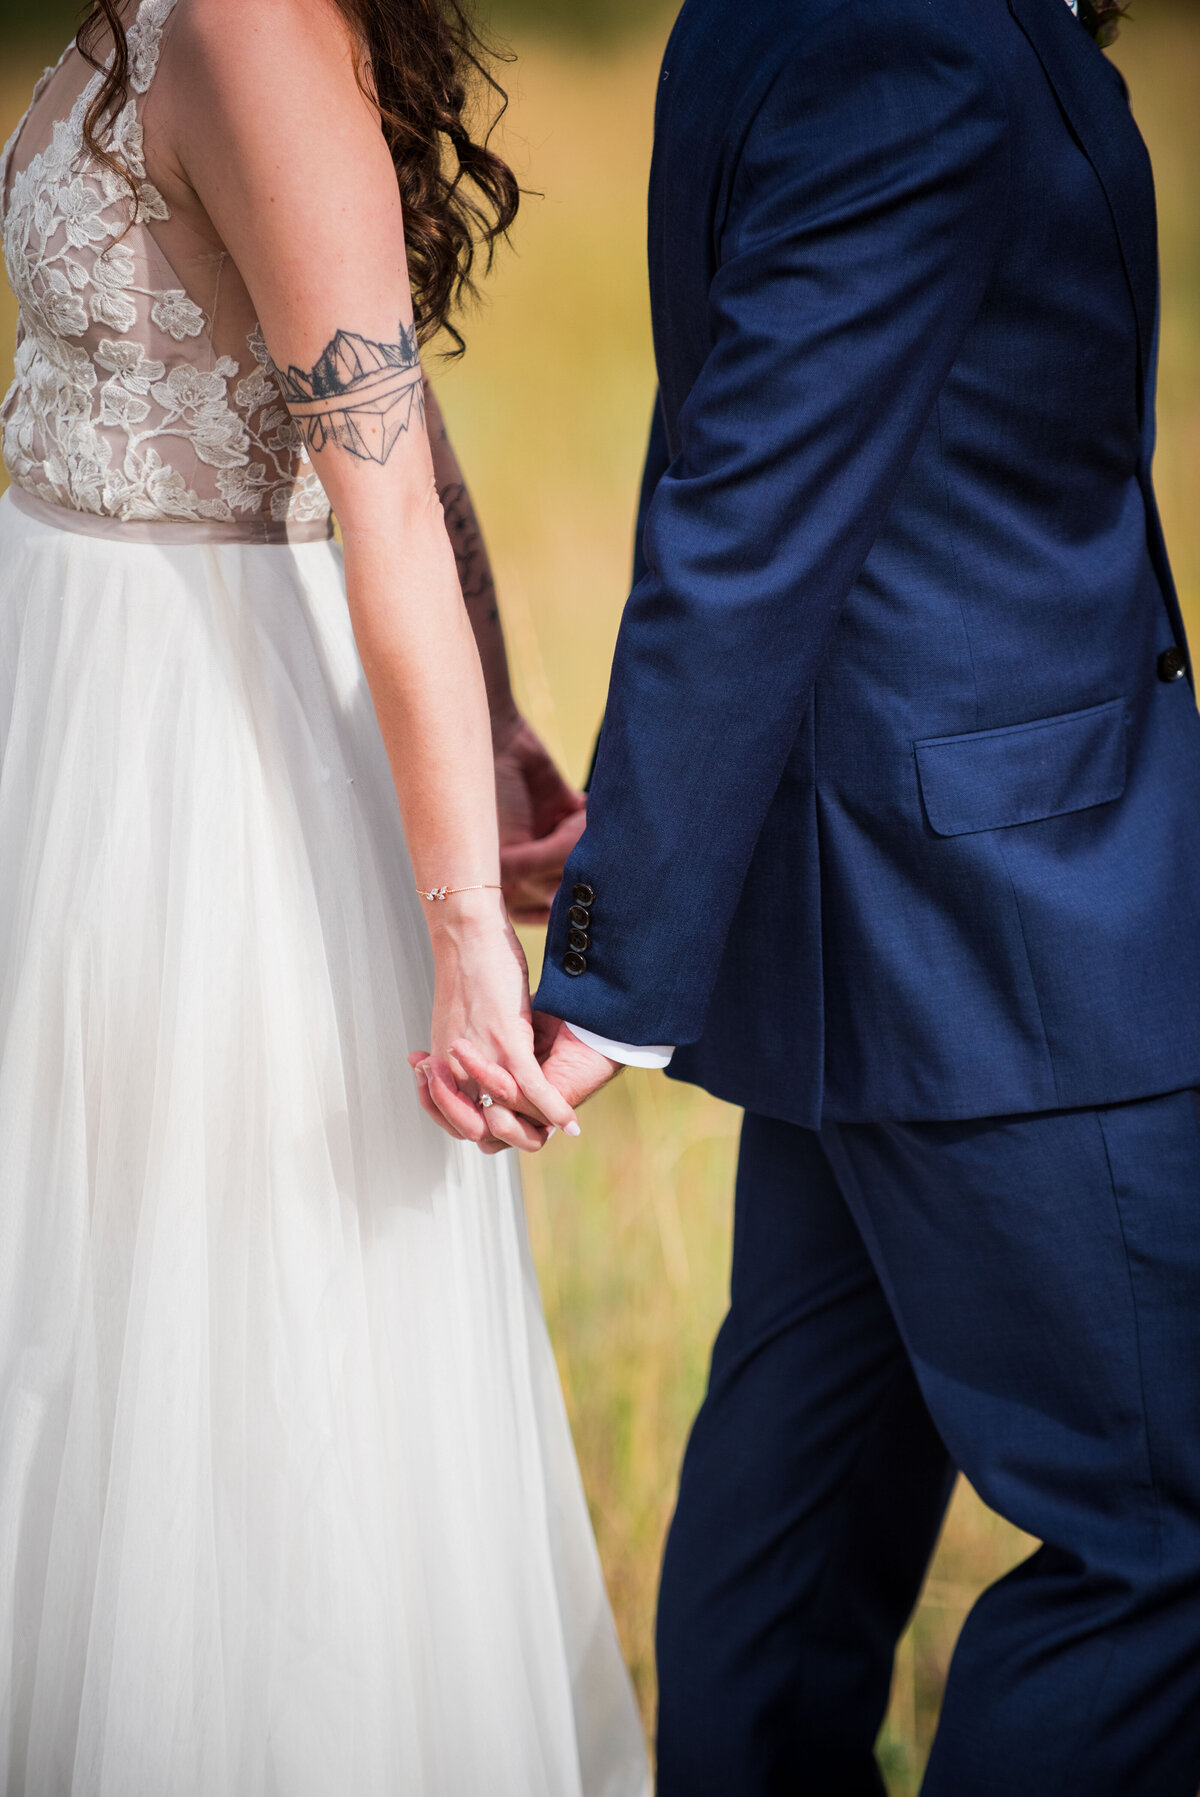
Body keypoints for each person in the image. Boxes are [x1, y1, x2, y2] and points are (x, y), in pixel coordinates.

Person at [424, 0, 1200, 1789]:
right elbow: (753, 499)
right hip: (1013, 934)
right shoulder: (911, 41)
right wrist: (617, 956)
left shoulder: (761, 15)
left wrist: (654, 832)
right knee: (1154, 1547)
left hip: (877, 924)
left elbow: (756, 432)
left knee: (793, 1543)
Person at [0, 0, 650, 1791]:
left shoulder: (248, 27)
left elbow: (381, 501)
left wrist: (462, 937)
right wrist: (509, 699)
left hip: (191, 778)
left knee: (211, 1356)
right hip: (64, 731)